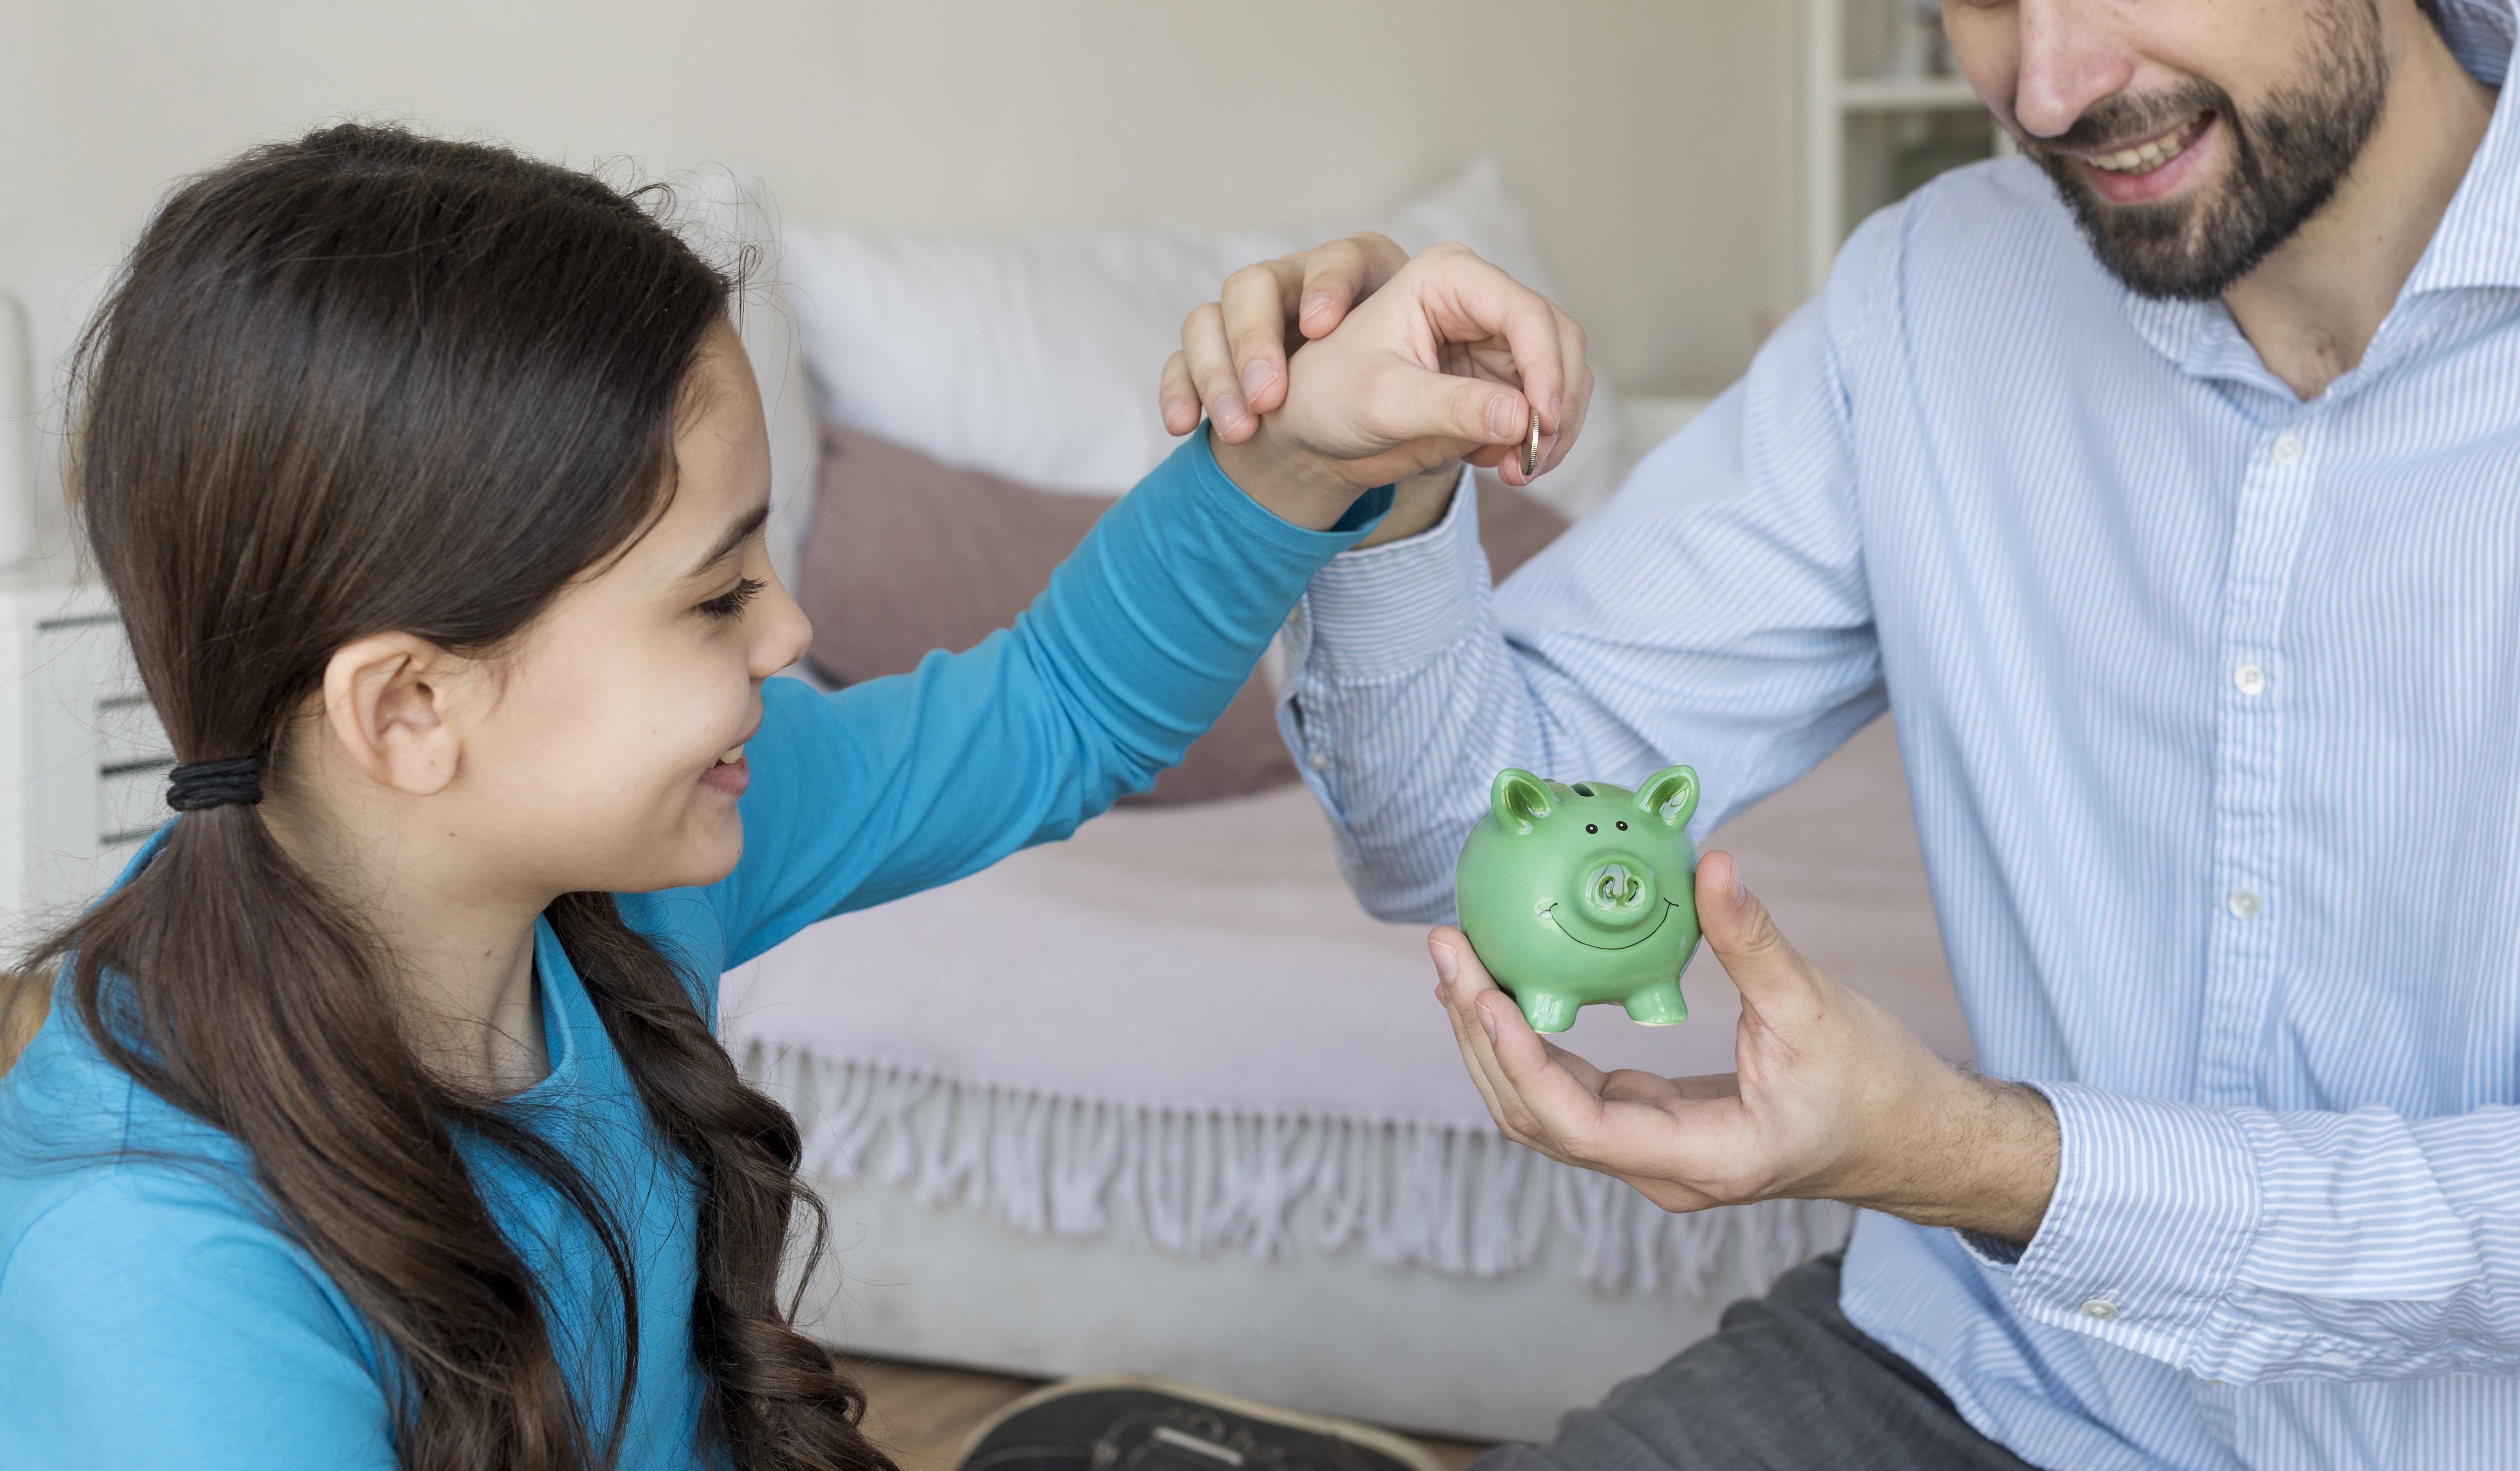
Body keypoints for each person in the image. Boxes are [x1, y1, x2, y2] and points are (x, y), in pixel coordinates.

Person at [0, 125, 1593, 1471]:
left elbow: (1049, 711)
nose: (791, 631)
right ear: (411, 707)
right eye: (714, 598)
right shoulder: (157, 1268)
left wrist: (1305, 455)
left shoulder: (604, 873)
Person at [1142, 0, 2520, 1467]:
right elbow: (1462, 848)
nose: (2045, 89)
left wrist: (1982, 1163)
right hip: (1995, 1375)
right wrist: (1391, 483)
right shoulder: (1933, 292)